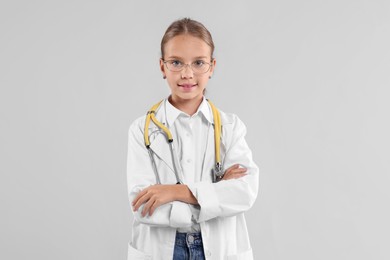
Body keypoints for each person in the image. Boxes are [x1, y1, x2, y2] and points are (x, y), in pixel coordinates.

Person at [126, 18, 259, 260]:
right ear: (162, 66)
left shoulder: (230, 128)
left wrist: (176, 192)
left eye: (198, 63)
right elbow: (142, 207)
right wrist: (214, 197)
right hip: (163, 250)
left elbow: (244, 193)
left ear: (212, 66)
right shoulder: (141, 130)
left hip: (218, 249)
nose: (187, 74)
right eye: (176, 62)